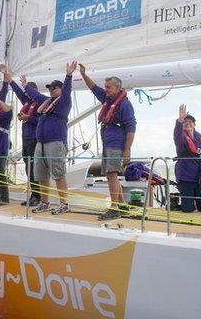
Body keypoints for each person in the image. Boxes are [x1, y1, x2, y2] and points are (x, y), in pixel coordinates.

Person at [79, 65, 137, 220]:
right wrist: (83, 74)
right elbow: (93, 87)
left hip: (116, 143)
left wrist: (127, 150)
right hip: (108, 141)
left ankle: (114, 207)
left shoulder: (125, 105)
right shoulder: (107, 98)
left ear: (117, 88)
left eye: (108, 87)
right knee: (111, 175)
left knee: (111, 174)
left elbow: (131, 127)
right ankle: (123, 206)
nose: (105, 90)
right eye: (105, 87)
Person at [24, 61, 77, 215]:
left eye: (55, 88)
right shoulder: (47, 102)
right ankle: (45, 202)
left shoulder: (64, 102)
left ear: (61, 89)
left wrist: (68, 75)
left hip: (55, 142)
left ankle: (64, 204)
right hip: (40, 143)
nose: (52, 90)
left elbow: (67, 90)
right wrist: (25, 85)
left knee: (59, 174)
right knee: (41, 175)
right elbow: (35, 95)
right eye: (50, 88)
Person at [8, 70, 45, 207]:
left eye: (30, 92)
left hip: (35, 138)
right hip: (26, 139)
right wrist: (10, 80)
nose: (27, 95)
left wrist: (28, 117)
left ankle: (38, 196)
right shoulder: (27, 103)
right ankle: (34, 195)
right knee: (29, 168)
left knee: (35, 168)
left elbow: (41, 120)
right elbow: (18, 93)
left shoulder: (41, 103)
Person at [174, 104, 201, 212]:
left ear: (194, 125)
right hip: (187, 178)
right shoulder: (180, 139)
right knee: (187, 209)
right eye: (185, 122)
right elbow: (177, 133)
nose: (187, 124)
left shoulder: (200, 138)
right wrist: (179, 120)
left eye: (190, 122)